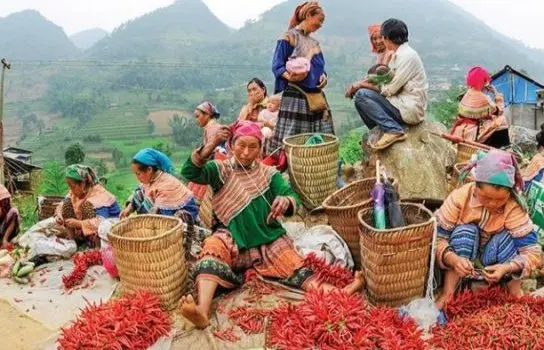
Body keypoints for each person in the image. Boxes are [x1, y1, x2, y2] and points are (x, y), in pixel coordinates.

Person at [179, 120, 365, 328]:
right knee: (211, 248)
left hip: (268, 240)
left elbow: (290, 195)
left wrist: (286, 202)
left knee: (297, 269)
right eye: (241, 145)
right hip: (233, 240)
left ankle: (345, 290)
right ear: (231, 145)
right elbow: (190, 172)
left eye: (253, 147)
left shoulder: (269, 174)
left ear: (261, 149)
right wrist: (211, 145)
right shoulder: (220, 171)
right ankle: (202, 312)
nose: (246, 152)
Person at [434, 150, 543, 308]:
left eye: (500, 200)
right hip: (463, 259)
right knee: (465, 231)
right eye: (486, 198)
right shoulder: (460, 197)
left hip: (495, 263)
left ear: (510, 193)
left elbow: (532, 252)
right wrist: (453, 259)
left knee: (509, 237)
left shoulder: (514, 207)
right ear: (475, 186)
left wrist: (508, 267)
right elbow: (438, 238)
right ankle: (448, 292)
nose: (492, 204)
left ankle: (514, 293)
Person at [347, 18, 428, 150]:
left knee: (362, 95)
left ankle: (393, 130)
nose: (381, 41)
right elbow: (385, 83)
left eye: (382, 38)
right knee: (360, 98)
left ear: (387, 38)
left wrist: (363, 85)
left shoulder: (407, 56)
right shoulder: (399, 54)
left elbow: (390, 89)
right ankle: (378, 131)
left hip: (408, 109)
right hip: (400, 104)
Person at [266, 1, 332, 165]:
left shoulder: (314, 43)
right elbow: (277, 65)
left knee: (316, 137)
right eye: (319, 20)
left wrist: (324, 76)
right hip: (295, 95)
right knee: (292, 138)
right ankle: (287, 168)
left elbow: (321, 67)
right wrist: (290, 76)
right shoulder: (289, 37)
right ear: (308, 16)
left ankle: (312, 170)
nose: (320, 25)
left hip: (315, 96)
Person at [120, 148, 199, 221]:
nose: (137, 177)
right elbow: (139, 193)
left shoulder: (166, 185)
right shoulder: (151, 179)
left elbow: (161, 216)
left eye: (138, 174)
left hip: (181, 218)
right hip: (164, 212)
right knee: (140, 193)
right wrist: (128, 210)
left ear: (149, 169)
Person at [55, 165, 121, 248]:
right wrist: (59, 215)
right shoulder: (74, 192)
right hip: (86, 228)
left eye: (73, 186)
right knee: (67, 204)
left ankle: (96, 247)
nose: (71, 190)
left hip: (109, 231)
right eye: (69, 187)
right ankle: (72, 242)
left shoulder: (99, 195)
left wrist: (78, 224)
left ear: (82, 184)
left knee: (87, 206)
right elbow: (62, 204)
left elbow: (101, 223)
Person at [447, 66, 509, 147]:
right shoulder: (483, 98)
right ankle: (502, 147)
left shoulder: (467, 94)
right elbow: (499, 111)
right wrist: (496, 93)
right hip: (472, 134)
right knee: (501, 120)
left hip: (461, 131)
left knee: (491, 120)